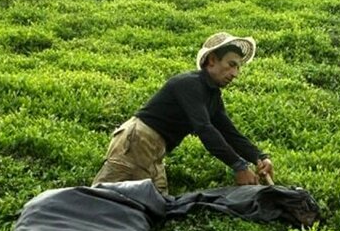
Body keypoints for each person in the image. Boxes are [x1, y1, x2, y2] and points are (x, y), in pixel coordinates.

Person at [92, 32, 273, 195]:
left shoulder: (212, 95)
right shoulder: (190, 84)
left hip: (155, 150)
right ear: (211, 60)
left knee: (155, 206)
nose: (235, 74)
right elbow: (204, 129)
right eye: (231, 65)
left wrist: (258, 157)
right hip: (138, 141)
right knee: (103, 199)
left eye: (238, 68)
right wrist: (239, 166)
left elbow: (228, 132)